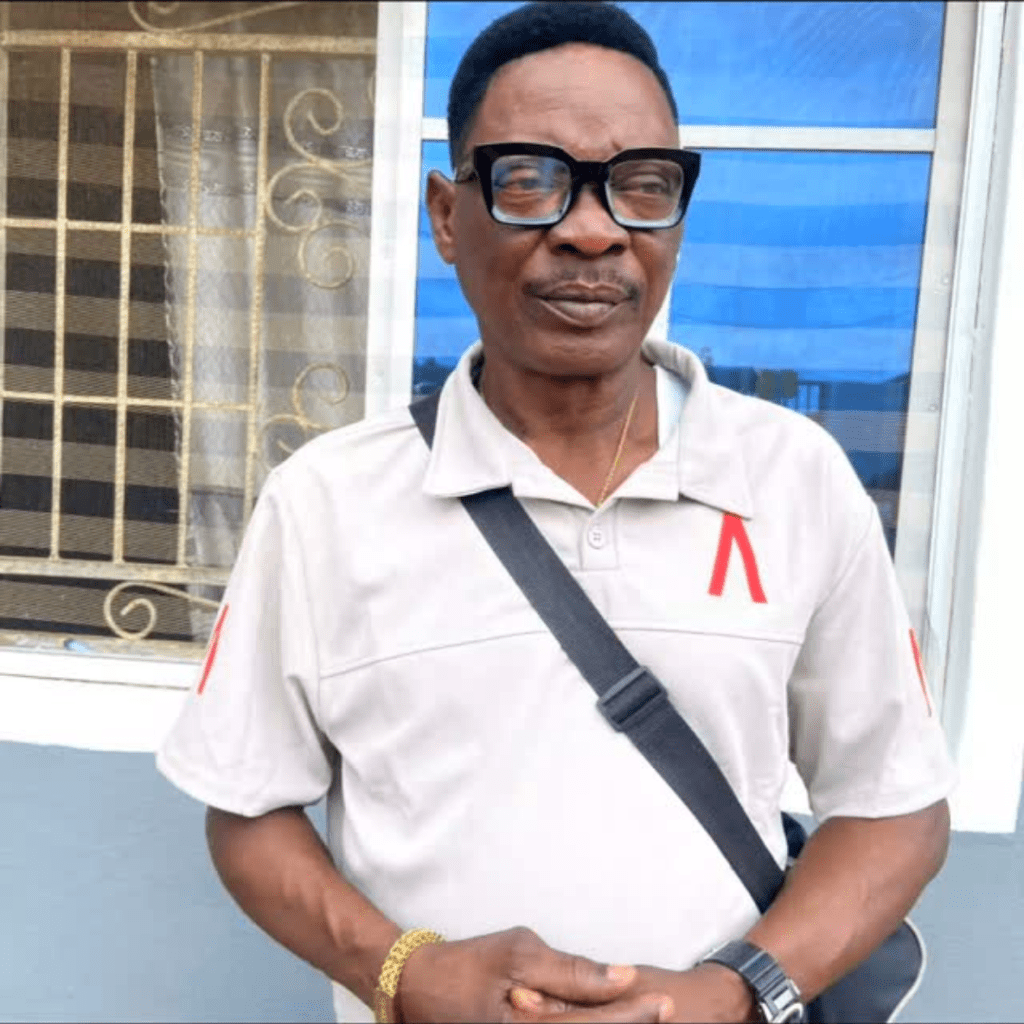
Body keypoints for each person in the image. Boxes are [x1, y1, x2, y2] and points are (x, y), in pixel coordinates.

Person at [157, 3, 956, 1022]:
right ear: (448, 214)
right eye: (530, 178)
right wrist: (401, 971)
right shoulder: (327, 502)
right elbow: (248, 805)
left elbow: (893, 805)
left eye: (642, 187)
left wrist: (738, 991)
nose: (592, 229)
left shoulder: (793, 478)